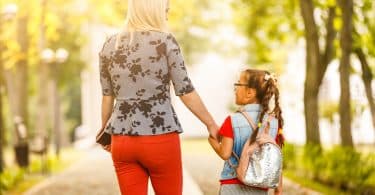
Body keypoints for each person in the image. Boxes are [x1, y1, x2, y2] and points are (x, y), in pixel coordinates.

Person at [97, 0, 219, 194]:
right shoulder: (165, 41)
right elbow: (185, 91)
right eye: (165, 9)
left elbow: (107, 97)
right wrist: (210, 124)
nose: (167, 14)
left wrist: (104, 130)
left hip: (122, 139)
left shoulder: (110, 44)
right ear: (153, 10)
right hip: (160, 136)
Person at [208, 69, 284, 195]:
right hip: (260, 186)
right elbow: (276, 158)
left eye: (238, 84)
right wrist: (278, 189)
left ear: (249, 92)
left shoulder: (232, 120)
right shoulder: (274, 123)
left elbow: (225, 153)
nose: (235, 88)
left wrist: (211, 140)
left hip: (232, 186)